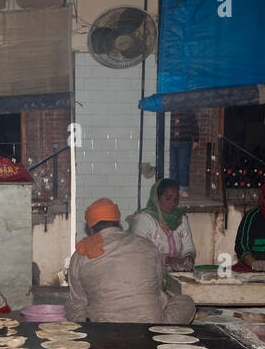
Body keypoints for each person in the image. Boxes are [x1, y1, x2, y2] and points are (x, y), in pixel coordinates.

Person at [65, 198, 195, 324]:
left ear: (91, 228)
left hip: (104, 329)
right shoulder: (147, 246)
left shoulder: (81, 254)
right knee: (186, 302)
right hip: (151, 328)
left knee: (78, 307)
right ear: (118, 222)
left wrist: (83, 330)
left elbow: (77, 307)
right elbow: (158, 290)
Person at [128, 179, 196, 272]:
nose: (173, 202)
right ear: (157, 198)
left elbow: (188, 247)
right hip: (151, 275)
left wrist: (189, 257)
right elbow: (139, 252)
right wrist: (167, 259)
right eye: (168, 198)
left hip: (177, 274)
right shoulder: (144, 219)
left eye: (176, 199)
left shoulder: (180, 218)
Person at [169, 109, 198, 197]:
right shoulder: (169, 110)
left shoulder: (189, 110)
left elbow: (195, 125)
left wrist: (196, 140)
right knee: (173, 167)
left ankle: (183, 189)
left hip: (185, 142)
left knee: (183, 166)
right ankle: (174, 189)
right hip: (171, 141)